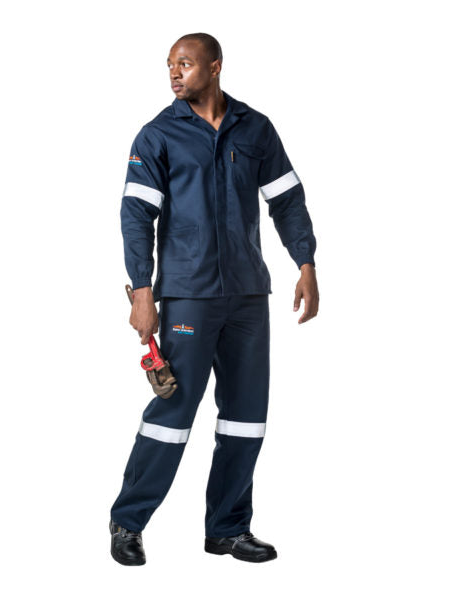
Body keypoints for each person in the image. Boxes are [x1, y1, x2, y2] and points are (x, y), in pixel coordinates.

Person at [110, 32, 319, 566]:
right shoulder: (158, 135)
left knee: (245, 417)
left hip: (248, 294)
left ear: (215, 66)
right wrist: (142, 291)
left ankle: (227, 528)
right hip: (189, 294)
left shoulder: (255, 128)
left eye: (184, 63)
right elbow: (136, 217)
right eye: (169, 65)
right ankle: (128, 522)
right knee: (172, 410)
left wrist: (305, 263)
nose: (174, 73)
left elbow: (287, 200)